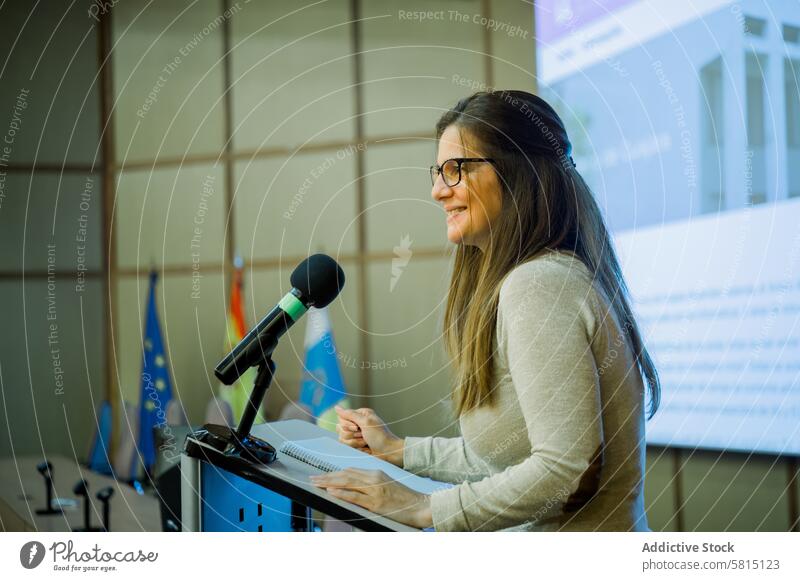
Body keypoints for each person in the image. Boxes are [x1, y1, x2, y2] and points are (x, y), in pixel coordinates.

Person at [310, 90, 660, 531]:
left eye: (456, 170)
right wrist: (398, 450)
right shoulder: (545, 278)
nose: (438, 191)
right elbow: (510, 457)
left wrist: (424, 507)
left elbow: (566, 470)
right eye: (437, 172)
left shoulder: (539, 285)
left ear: (519, 174)